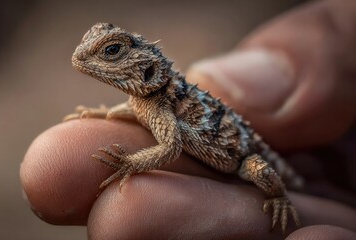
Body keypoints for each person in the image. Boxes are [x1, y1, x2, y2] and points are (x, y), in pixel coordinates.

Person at [20, 0, 356, 238]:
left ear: (148, 67)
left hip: (241, 159)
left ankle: (281, 195)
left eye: (112, 51)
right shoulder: (147, 101)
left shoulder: (165, 101)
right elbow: (141, 113)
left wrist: (130, 163)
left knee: (262, 171)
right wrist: (106, 112)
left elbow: (168, 147)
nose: (87, 56)